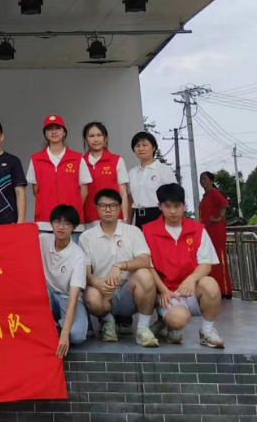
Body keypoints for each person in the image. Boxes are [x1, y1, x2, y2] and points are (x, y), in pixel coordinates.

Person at [144, 183, 225, 348]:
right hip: (167, 292)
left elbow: (206, 264)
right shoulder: (148, 231)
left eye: (177, 206)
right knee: (177, 320)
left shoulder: (198, 229)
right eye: (167, 206)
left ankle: (207, 330)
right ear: (159, 206)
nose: (173, 211)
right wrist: (163, 290)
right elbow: (148, 266)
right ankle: (168, 322)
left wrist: (191, 280)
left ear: (184, 206)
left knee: (210, 283)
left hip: (191, 289)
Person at [80, 189, 159, 347]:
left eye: (113, 206)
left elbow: (145, 260)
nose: (108, 210)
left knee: (145, 274)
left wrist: (120, 266)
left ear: (119, 208)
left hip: (128, 290)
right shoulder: (86, 237)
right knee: (90, 295)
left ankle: (143, 328)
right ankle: (107, 322)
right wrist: (97, 283)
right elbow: (86, 272)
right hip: (103, 290)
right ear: (96, 208)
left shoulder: (133, 232)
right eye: (103, 206)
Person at [27, 115, 92, 239]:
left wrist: (74, 209)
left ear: (64, 132)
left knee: (73, 252)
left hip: (72, 222)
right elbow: (36, 190)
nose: (53, 132)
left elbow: (84, 190)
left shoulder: (77, 158)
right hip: (45, 222)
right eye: (49, 129)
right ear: (45, 134)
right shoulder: (36, 159)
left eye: (57, 128)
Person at [38, 204, 88, 357]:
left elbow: (73, 297)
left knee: (77, 335)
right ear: (51, 224)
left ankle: (57, 328)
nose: (61, 227)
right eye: (57, 222)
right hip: (47, 295)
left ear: (74, 228)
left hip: (67, 298)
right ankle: (53, 326)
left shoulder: (78, 255)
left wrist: (65, 335)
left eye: (67, 223)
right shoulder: (42, 240)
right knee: (38, 288)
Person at [81, 123, 130, 227]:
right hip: (88, 219)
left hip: (114, 218)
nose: (95, 139)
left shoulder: (117, 160)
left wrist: (125, 219)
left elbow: (123, 193)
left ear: (105, 138)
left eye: (99, 135)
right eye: (91, 136)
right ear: (85, 140)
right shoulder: (81, 162)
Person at [127, 131, 177, 228]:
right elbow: (130, 200)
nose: (141, 148)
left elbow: (173, 197)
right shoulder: (132, 173)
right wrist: (128, 223)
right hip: (139, 217)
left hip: (159, 215)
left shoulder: (163, 170)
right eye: (137, 146)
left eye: (145, 145)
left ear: (153, 147)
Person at [199, 171, 233, 299]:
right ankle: (216, 288)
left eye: (205, 179)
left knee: (219, 257)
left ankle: (225, 290)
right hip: (207, 231)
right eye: (201, 179)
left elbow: (224, 204)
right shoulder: (206, 196)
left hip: (216, 230)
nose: (202, 181)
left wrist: (218, 218)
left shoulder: (214, 193)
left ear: (212, 181)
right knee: (211, 259)